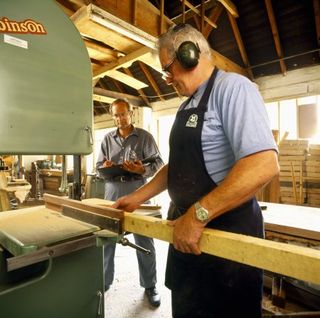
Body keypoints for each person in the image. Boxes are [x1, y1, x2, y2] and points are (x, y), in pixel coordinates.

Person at [112, 23, 279, 317]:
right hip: (186, 233)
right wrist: (137, 197)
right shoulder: (186, 104)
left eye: (167, 69)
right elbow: (176, 166)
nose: (166, 79)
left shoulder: (233, 89)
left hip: (226, 237)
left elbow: (263, 164)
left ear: (189, 55)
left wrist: (199, 214)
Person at [96, 98, 164, 307]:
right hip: (112, 191)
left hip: (138, 191)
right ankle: (105, 281)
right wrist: (105, 166)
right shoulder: (107, 139)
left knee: (145, 240)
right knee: (107, 238)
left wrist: (141, 170)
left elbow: (159, 164)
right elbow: (98, 167)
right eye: (116, 115)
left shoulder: (144, 137)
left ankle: (150, 285)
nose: (119, 118)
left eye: (123, 114)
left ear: (131, 113)